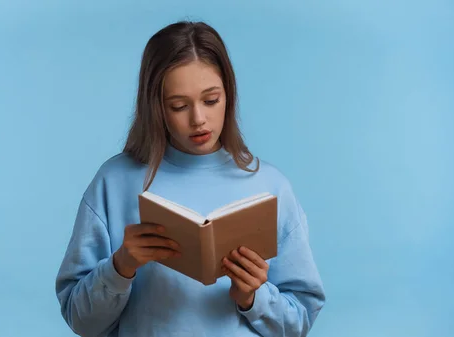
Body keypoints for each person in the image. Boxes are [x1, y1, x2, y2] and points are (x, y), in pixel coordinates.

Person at [55, 20, 326, 337]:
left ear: (229, 94)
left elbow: (299, 323)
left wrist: (253, 297)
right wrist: (121, 267)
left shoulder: (271, 186)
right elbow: (80, 320)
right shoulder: (114, 182)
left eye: (211, 100)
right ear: (156, 107)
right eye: (179, 106)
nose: (199, 119)